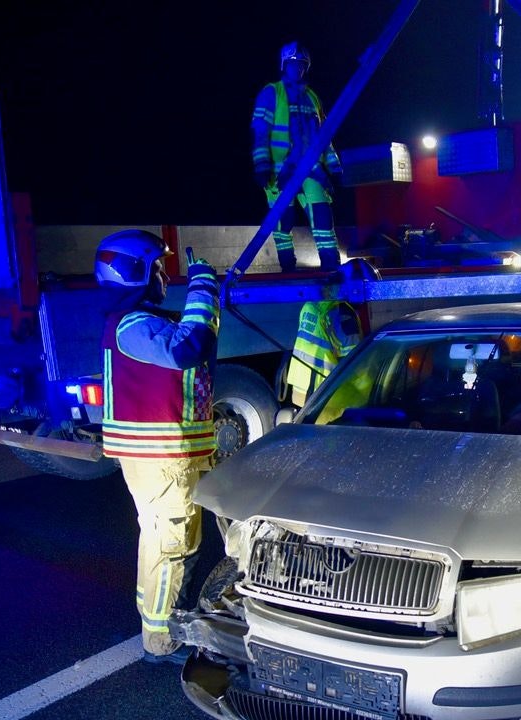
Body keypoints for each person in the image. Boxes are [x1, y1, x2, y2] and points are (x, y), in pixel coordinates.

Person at [94, 229, 220, 664]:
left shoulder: (140, 322)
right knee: (167, 547)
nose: (164, 277)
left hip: (170, 457)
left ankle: (172, 619)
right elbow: (188, 348)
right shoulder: (133, 326)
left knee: (178, 543)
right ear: (136, 272)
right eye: (159, 268)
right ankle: (161, 640)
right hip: (160, 460)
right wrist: (203, 289)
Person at [251, 42, 344, 272]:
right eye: (293, 64)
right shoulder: (272, 93)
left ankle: (332, 268)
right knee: (284, 221)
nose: (298, 69)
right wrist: (262, 163)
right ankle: (287, 268)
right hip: (279, 171)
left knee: (323, 217)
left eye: (302, 65)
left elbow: (324, 136)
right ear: (285, 65)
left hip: (311, 169)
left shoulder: (312, 97)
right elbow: (261, 131)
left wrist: (335, 166)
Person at [285, 293, 362, 407]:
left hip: (301, 387)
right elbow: (353, 361)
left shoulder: (310, 305)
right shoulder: (341, 312)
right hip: (323, 392)